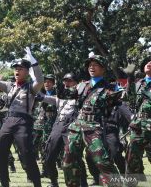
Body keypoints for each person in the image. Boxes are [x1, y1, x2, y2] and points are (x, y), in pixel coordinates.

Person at [0, 47, 44, 187]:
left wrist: (34, 63)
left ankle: (37, 183)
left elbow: (40, 80)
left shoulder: (31, 87)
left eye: (21, 68)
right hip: (8, 120)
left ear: (27, 72)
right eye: (15, 68)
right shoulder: (9, 86)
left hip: (23, 121)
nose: (17, 71)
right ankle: (4, 182)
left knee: (27, 155)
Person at [62, 54, 121, 187]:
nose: (91, 67)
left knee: (102, 162)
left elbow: (120, 99)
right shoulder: (82, 85)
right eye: (90, 65)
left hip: (94, 127)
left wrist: (129, 80)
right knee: (67, 162)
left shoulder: (110, 87)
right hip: (77, 126)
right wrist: (65, 82)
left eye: (95, 65)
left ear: (103, 68)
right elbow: (63, 94)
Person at [126, 55, 151, 184]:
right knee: (132, 158)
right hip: (139, 126)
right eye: (147, 62)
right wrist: (129, 77)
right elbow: (129, 99)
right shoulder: (138, 84)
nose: (149, 63)